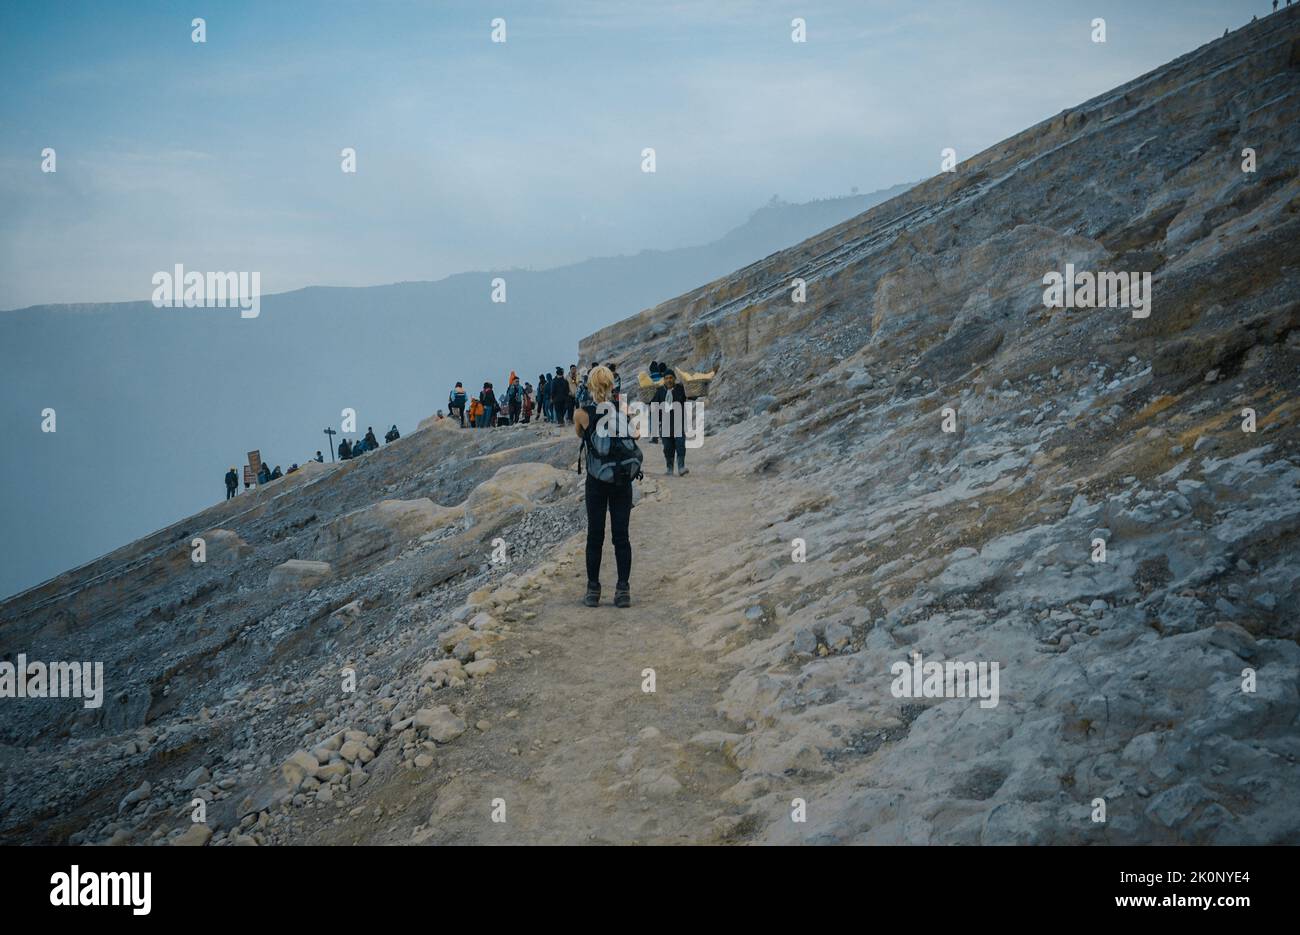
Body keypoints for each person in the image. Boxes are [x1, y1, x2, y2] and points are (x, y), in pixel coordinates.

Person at [574, 366, 637, 608]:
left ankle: (593, 590)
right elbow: (636, 436)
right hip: (621, 480)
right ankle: (622, 590)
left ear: (589, 386)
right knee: (621, 536)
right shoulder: (623, 411)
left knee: (595, 536)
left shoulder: (582, 413)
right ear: (613, 385)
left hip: (596, 481)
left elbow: (581, 435)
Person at [652, 368, 689, 476]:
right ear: (664, 380)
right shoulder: (659, 391)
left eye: (671, 378)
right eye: (667, 378)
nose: (669, 380)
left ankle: (681, 467)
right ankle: (669, 468)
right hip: (665, 425)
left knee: (680, 445)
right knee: (668, 448)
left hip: (678, 423)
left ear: (674, 379)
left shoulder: (680, 389)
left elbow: (691, 395)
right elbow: (654, 405)